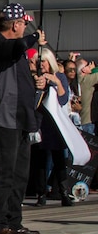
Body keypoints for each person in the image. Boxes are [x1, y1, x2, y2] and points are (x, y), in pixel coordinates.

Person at [0, 2, 43, 234]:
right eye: (24, 24)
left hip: (21, 118)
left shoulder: (16, 49)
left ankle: (14, 221)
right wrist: (36, 36)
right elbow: (17, 46)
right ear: (16, 24)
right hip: (3, 116)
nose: (26, 29)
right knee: (4, 172)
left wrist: (38, 83)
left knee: (20, 174)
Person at [35, 48, 73, 206]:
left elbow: (63, 99)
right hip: (40, 122)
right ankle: (41, 193)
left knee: (59, 159)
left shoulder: (60, 76)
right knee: (41, 161)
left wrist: (56, 82)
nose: (41, 64)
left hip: (55, 124)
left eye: (43, 61)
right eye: (39, 62)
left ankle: (64, 192)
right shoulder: (35, 76)